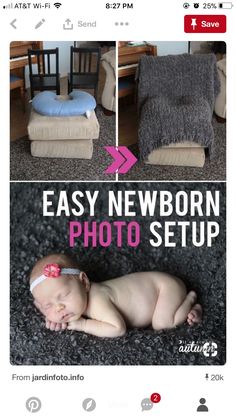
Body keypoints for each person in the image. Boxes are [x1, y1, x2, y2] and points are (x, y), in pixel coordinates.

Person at [30, 253, 202, 338]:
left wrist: (83, 324)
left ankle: (191, 301)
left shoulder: (97, 300)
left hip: (164, 289)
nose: (59, 308)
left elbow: (117, 328)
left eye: (64, 295)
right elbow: (52, 307)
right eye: (48, 306)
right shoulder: (74, 304)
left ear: (84, 282)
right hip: (156, 284)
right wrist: (54, 318)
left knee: (162, 324)